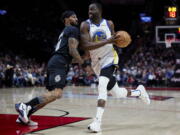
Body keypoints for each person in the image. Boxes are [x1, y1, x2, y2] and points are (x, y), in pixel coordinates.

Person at [80, 2, 150, 132]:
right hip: (96, 63)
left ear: (99, 11)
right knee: (117, 93)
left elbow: (115, 41)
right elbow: (85, 46)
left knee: (102, 85)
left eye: (92, 9)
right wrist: (107, 41)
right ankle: (139, 92)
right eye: (89, 9)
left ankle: (97, 122)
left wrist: (121, 41)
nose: (90, 11)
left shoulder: (109, 23)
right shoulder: (85, 25)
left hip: (110, 58)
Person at [15, 10, 84, 126]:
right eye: (73, 17)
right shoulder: (73, 29)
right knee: (57, 93)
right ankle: (25, 105)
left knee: (51, 95)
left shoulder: (64, 32)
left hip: (57, 61)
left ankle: (24, 115)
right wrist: (82, 62)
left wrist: (77, 60)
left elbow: (68, 53)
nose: (77, 19)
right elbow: (72, 50)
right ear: (66, 19)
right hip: (59, 63)